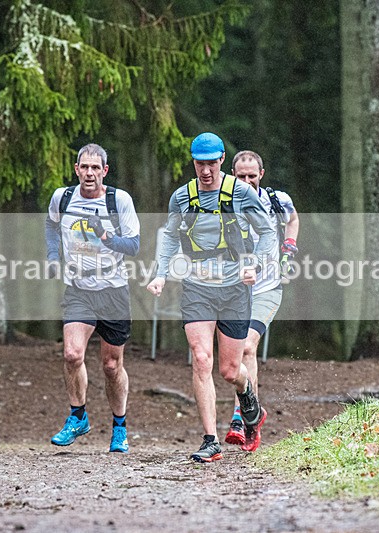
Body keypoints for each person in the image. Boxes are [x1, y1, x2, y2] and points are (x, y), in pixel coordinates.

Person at [146, 132, 277, 463]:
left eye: (211, 164)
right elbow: (170, 238)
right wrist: (160, 273)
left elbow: (267, 233)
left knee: (230, 370)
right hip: (197, 287)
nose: (206, 171)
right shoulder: (181, 197)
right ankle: (210, 440)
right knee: (201, 358)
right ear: (194, 163)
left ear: (221, 161)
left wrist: (255, 265)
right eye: (200, 164)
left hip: (234, 288)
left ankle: (249, 401)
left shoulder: (241, 193)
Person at [45, 143, 140, 453]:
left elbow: (134, 246)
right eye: (84, 167)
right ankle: (78, 416)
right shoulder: (63, 197)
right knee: (72, 354)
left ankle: (119, 428)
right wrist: (52, 255)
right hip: (78, 288)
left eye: (95, 168)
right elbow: (51, 223)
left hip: (113, 290)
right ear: (76, 169)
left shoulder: (118, 200)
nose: (89, 173)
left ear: (105, 171)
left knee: (112, 366)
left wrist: (106, 237)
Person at [225, 150, 299, 452]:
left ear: (261, 175)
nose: (245, 181)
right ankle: (253, 414)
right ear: (232, 175)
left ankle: (240, 418)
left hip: (267, 289)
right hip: (232, 291)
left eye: (251, 176)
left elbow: (293, 219)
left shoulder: (276, 200)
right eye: (240, 177)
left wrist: (289, 248)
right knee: (232, 361)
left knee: (247, 347)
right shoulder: (224, 203)